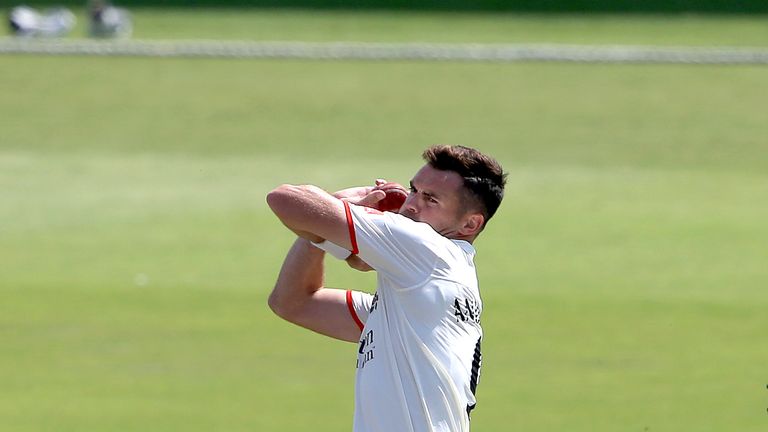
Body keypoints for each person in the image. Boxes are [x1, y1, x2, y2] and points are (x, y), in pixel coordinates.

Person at [267, 145, 507, 432]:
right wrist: (319, 235)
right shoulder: (412, 304)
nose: (411, 204)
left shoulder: (430, 250)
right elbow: (293, 302)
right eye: (413, 190)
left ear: (470, 224)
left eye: (430, 199)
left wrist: (345, 202)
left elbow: (284, 199)